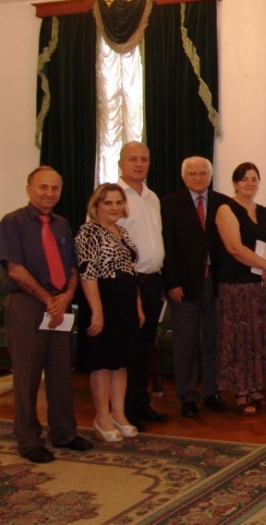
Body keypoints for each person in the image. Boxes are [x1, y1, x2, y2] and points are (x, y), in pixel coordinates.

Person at [0, 166, 93, 463]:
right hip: (27, 305)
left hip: (59, 306)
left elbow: (72, 268)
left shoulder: (62, 224)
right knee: (27, 377)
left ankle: (64, 433)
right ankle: (29, 441)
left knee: (60, 373)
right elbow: (15, 269)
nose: (49, 193)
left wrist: (65, 297)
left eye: (55, 188)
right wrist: (48, 299)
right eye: (43, 187)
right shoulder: (12, 222)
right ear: (29, 189)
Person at [161, 156, 230, 418]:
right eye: (193, 173)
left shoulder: (223, 202)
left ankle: (212, 392)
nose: (198, 177)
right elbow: (166, 246)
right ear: (184, 176)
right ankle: (188, 395)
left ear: (210, 176)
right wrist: (172, 283)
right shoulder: (169, 204)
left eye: (203, 172)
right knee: (186, 343)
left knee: (214, 341)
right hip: (184, 285)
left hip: (216, 283)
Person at [75, 183, 143, 442]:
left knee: (121, 360)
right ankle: (102, 417)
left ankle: (118, 414)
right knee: (102, 362)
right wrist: (97, 312)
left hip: (125, 300)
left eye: (118, 202)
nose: (114, 207)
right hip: (103, 299)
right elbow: (87, 273)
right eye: (108, 203)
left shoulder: (122, 231)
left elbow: (130, 272)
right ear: (96, 206)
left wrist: (137, 306)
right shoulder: (89, 231)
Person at [214, 163, 266, 415]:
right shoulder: (226, 209)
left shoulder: (263, 211)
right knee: (239, 340)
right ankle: (241, 392)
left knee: (258, 339)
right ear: (235, 183)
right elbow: (234, 247)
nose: (250, 183)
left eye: (254, 179)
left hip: (261, 286)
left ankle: (255, 388)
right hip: (236, 287)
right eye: (244, 179)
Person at [117, 141, 168, 430]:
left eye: (144, 159)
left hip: (152, 282)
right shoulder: (112, 196)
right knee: (128, 349)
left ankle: (140, 403)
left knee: (144, 348)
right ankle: (123, 409)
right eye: (133, 159)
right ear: (121, 164)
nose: (139, 164)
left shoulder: (152, 197)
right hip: (127, 284)